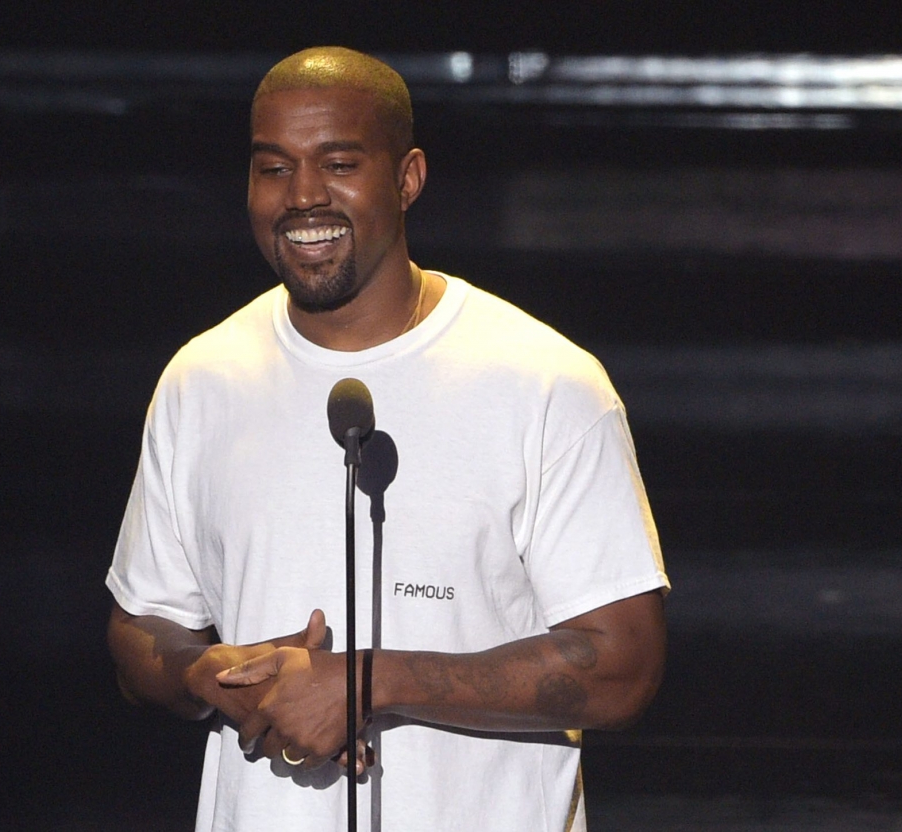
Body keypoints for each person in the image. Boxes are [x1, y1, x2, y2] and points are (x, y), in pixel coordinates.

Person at [106, 46, 669, 832]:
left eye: (338, 163)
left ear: (407, 178)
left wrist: (366, 682)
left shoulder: (545, 382)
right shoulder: (203, 379)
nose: (303, 196)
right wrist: (206, 671)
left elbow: (623, 669)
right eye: (273, 168)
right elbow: (141, 625)